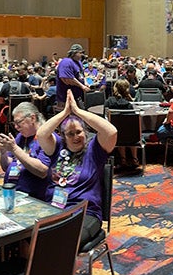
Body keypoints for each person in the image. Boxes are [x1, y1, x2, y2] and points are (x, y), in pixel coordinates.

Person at [35, 90, 118, 246]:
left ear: (85, 133)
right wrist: (65, 113)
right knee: (24, 236)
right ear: (64, 136)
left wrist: (79, 112)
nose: (75, 137)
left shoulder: (94, 150)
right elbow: (41, 134)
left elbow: (111, 131)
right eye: (70, 134)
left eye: (79, 132)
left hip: (85, 213)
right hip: (53, 209)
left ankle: (59, 270)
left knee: (61, 240)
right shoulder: (57, 147)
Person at [53, 44, 88, 109]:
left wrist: (85, 83)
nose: (82, 55)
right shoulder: (66, 62)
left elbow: (81, 75)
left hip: (77, 97)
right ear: (74, 53)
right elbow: (67, 80)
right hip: (65, 99)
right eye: (80, 53)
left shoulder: (78, 62)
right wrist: (82, 86)